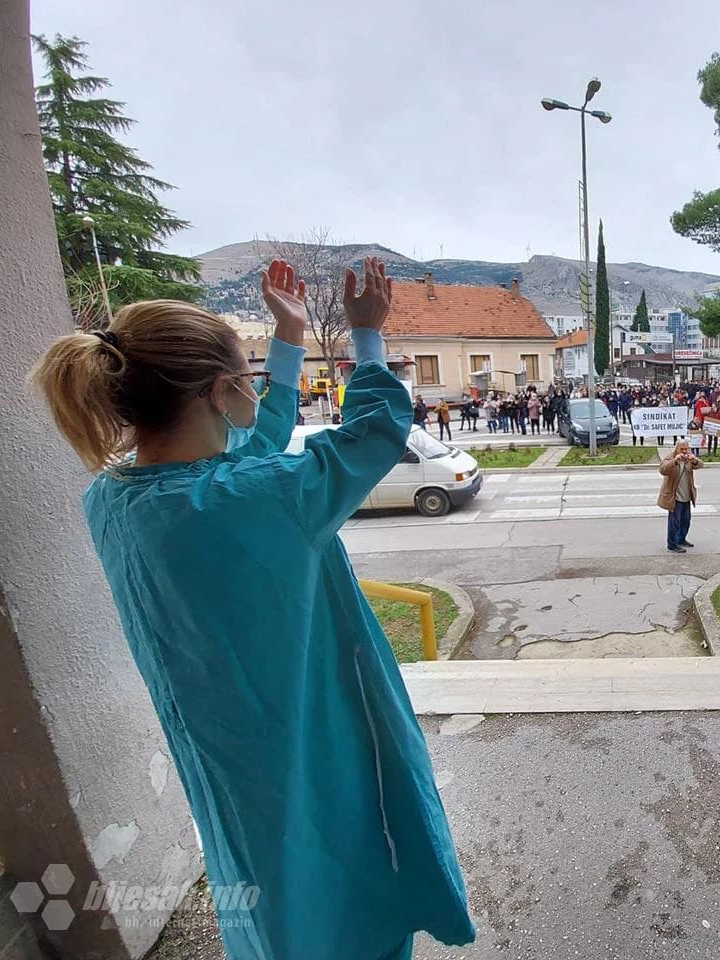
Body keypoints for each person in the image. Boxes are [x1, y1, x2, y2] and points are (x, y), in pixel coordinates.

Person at [29, 258, 475, 959]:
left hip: (228, 754)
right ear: (215, 392)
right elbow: (375, 431)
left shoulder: (117, 500)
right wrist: (365, 337)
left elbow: (245, 454)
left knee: (271, 890)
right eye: (251, 376)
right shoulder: (267, 495)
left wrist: (289, 339)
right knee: (349, 885)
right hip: (307, 743)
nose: (257, 387)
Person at [658, 439, 702, 553]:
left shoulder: (689, 458)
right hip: (674, 497)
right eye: (682, 449)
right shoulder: (670, 457)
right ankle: (672, 544)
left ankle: (681, 539)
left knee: (686, 520)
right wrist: (674, 461)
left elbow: (701, 464)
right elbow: (662, 470)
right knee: (674, 522)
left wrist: (695, 460)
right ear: (676, 449)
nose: (684, 451)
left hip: (686, 495)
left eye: (686, 449)